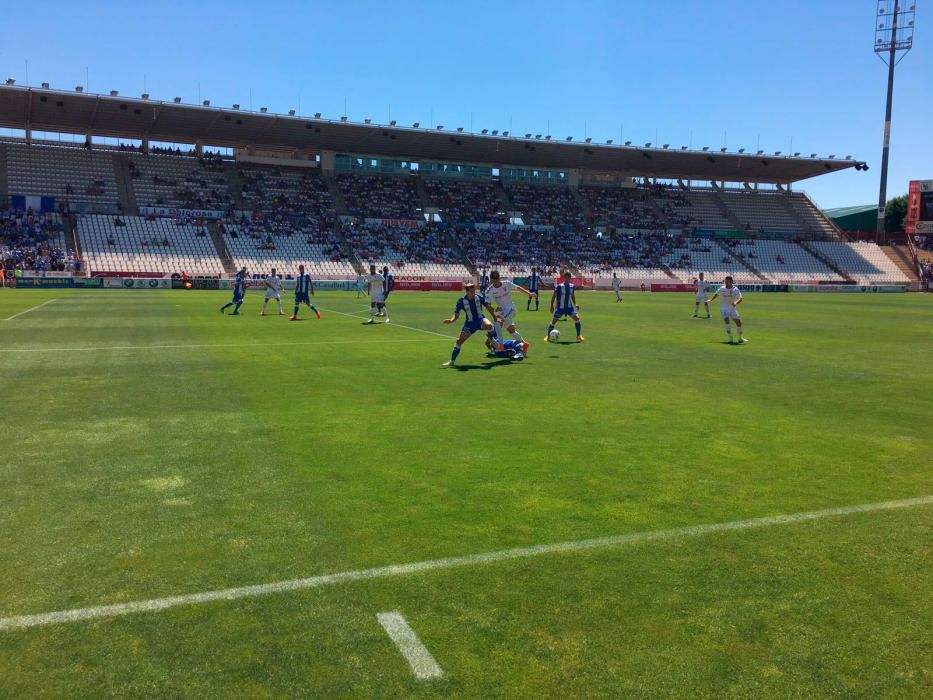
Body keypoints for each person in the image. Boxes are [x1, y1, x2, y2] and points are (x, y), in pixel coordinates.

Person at [441, 282, 503, 367]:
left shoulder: (479, 297)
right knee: (459, 341)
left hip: (480, 320)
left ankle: (491, 339)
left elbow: (488, 307)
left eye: (474, 291)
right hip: (470, 324)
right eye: (471, 291)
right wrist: (451, 320)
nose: (473, 293)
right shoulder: (461, 301)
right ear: (467, 292)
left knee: (490, 326)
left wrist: (495, 317)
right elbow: (456, 315)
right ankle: (452, 361)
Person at [485, 270, 535, 346]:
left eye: (497, 279)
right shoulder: (490, 290)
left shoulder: (506, 283)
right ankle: (523, 343)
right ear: (491, 280)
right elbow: (488, 304)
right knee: (511, 331)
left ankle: (500, 344)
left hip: (512, 309)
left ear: (499, 278)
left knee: (497, 321)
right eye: (493, 280)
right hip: (504, 312)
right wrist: (495, 309)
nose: (496, 282)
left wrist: (529, 293)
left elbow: (517, 287)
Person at [546, 270, 584, 342]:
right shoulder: (559, 286)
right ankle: (548, 336)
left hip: (569, 308)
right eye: (565, 277)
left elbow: (572, 295)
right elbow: (554, 296)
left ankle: (578, 336)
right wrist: (551, 305)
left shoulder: (572, 286)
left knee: (577, 319)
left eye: (568, 277)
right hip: (560, 308)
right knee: (553, 322)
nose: (567, 279)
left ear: (570, 278)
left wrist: (575, 303)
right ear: (564, 278)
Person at [708, 275, 747, 344]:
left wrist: (735, 303)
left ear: (731, 282)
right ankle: (730, 338)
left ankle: (740, 338)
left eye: (727, 281)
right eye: (725, 281)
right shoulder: (722, 288)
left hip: (732, 308)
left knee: (738, 322)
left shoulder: (735, 289)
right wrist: (711, 300)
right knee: (727, 320)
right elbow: (716, 294)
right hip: (724, 308)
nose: (726, 283)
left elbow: (740, 298)